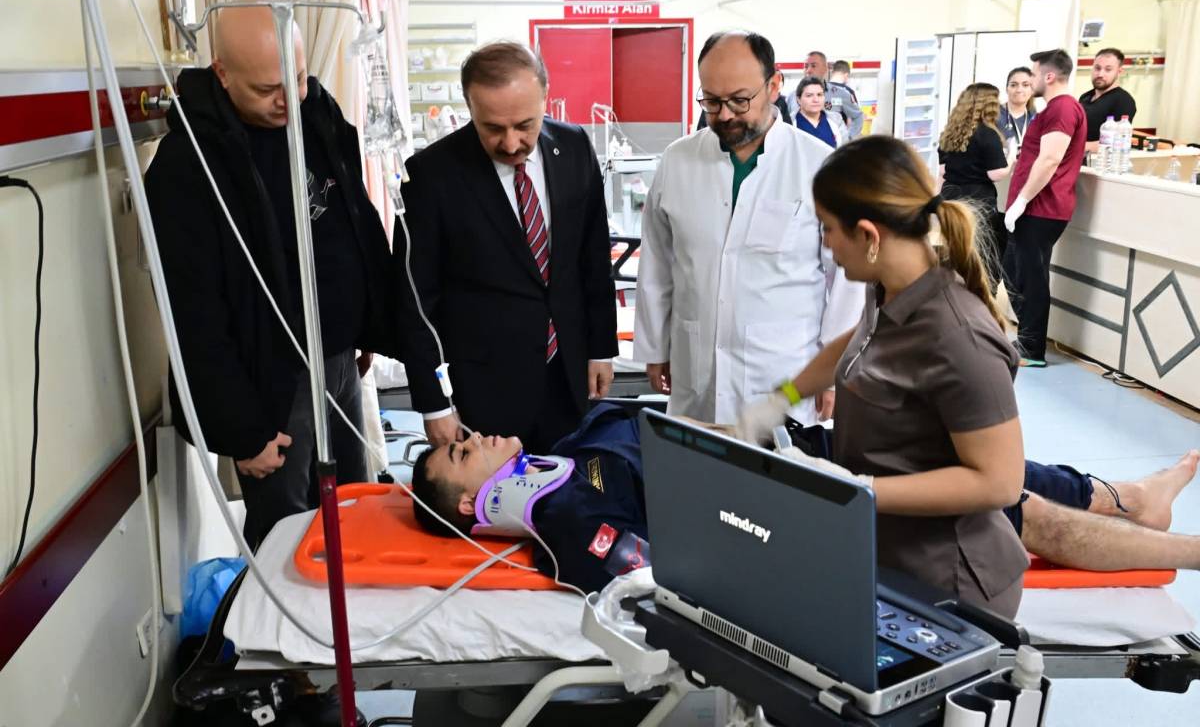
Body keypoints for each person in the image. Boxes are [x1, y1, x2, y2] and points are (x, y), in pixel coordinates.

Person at [411, 403, 1200, 596]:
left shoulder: (572, 445)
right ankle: (1181, 547)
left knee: (960, 454)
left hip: (794, 451)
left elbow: (691, 435)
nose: (473, 434)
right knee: (999, 506)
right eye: (461, 451)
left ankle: (1128, 495)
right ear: (477, 504)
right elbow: (655, 577)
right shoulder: (565, 518)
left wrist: (772, 422)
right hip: (806, 504)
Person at [737, 135, 1028, 617]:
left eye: (829, 229)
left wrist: (861, 487)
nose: (825, 244)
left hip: (946, 586)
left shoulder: (958, 338)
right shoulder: (891, 288)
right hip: (885, 554)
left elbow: (1000, 482)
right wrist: (781, 397)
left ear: (870, 236)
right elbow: (858, 341)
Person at [145, 0, 395, 548]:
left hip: (338, 358)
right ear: (222, 73)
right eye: (267, 89)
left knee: (355, 513)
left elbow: (354, 223)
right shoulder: (188, 167)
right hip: (271, 381)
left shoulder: (319, 117)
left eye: (298, 78)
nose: (289, 98)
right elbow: (193, 312)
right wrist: (242, 430)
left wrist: (367, 321)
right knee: (288, 538)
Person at [398, 41, 617, 455]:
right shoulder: (431, 175)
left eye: (524, 125)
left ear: (545, 96)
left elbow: (592, 256)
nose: (512, 143)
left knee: (573, 486)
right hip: (484, 391)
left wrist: (601, 347)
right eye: (493, 129)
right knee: (494, 497)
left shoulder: (573, 147)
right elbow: (415, 301)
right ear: (469, 107)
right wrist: (434, 403)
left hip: (568, 374)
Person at [633, 31, 862, 427]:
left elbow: (846, 280)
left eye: (739, 100)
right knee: (694, 458)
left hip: (785, 377)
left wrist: (834, 373)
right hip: (696, 372)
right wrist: (655, 346)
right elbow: (657, 262)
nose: (724, 115)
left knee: (779, 464)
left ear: (774, 86)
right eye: (712, 101)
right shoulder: (677, 161)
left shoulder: (820, 165)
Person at [1003, 49, 1088, 368]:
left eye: (1034, 75)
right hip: (1036, 207)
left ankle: (1032, 348)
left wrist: (1023, 200)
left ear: (1049, 76)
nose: (1030, 81)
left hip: (1042, 207)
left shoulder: (1063, 108)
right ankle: (1028, 338)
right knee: (1016, 270)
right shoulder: (1053, 109)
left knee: (1030, 276)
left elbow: (1050, 159)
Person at [936, 83, 1010, 286]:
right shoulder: (988, 134)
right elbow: (995, 174)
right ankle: (980, 294)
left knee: (955, 248)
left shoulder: (950, 133)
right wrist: (1012, 161)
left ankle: (954, 290)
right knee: (981, 254)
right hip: (978, 200)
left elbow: (942, 171)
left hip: (951, 195)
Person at [1079, 47, 1137, 150]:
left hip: (1101, 158)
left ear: (1119, 71)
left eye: (1108, 69)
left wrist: (1076, 148)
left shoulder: (1123, 101)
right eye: (1097, 68)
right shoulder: (1085, 97)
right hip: (1078, 156)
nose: (1100, 74)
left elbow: (1117, 142)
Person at [799, 51, 863, 138]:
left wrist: (849, 138)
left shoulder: (841, 93)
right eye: (806, 66)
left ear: (825, 69)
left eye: (813, 66)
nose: (808, 70)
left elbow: (857, 116)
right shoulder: (792, 97)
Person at [793, 76, 850, 149]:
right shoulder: (789, 122)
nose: (816, 100)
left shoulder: (836, 119)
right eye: (809, 95)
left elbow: (845, 149)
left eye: (819, 95)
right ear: (798, 99)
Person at [999, 66, 1037, 155]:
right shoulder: (994, 115)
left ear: (1032, 89)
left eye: (1025, 85)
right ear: (1006, 89)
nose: (1019, 90)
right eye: (1013, 85)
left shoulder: (1036, 118)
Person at [828, 59, 864, 137]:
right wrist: (850, 137)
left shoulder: (821, 89)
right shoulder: (847, 92)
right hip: (840, 137)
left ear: (832, 72)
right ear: (846, 75)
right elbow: (853, 118)